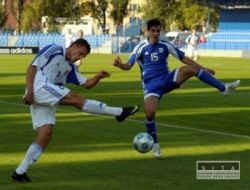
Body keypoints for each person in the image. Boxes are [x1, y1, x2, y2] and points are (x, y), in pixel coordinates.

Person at [11, 38, 139, 183]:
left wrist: (97, 77)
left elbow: (86, 84)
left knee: (46, 134)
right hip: (38, 86)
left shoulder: (70, 68)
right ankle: (119, 112)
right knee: (76, 99)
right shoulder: (56, 49)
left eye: (83, 56)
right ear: (73, 46)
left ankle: (20, 172)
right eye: (80, 53)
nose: (80, 58)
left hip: (46, 92)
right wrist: (29, 91)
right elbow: (32, 68)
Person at [113, 19, 240, 158]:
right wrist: (120, 65)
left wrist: (203, 68)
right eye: (153, 31)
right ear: (148, 31)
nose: (156, 33)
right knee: (150, 115)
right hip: (151, 86)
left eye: (158, 31)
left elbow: (184, 58)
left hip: (167, 79)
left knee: (191, 69)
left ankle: (224, 88)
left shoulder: (165, 45)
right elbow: (128, 65)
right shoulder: (140, 47)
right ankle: (155, 144)